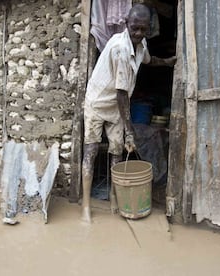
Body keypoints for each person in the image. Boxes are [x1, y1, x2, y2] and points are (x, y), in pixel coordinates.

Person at [82, 3, 176, 223]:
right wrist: (130, 132)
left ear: (148, 28)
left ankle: (115, 199)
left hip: (115, 107)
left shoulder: (140, 43)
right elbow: (122, 94)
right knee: (92, 150)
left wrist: (167, 62)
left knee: (116, 153)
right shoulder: (120, 49)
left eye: (143, 29)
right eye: (135, 28)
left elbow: (149, 60)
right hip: (97, 103)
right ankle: (86, 206)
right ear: (126, 24)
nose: (138, 33)